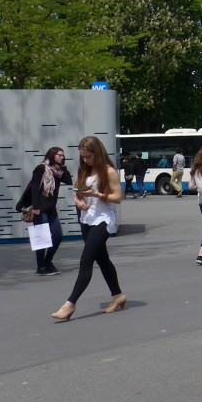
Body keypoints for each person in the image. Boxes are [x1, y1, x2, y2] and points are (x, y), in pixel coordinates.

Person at [51, 135, 126, 320]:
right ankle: (118, 295)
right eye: (83, 157)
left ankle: (70, 304)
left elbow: (118, 197)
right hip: (86, 219)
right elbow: (77, 191)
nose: (85, 160)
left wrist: (97, 194)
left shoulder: (108, 171)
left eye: (88, 156)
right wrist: (78, 201)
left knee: (86, 260)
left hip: (103, 219)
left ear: (97, 153)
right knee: (103, 260)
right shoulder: (84, 170)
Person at [16, 146, 73, 276]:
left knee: (57, 236)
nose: (62, 157)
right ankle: (41, 267)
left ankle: (48, 261)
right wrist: (36, 207)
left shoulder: (58, 171)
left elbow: (69, 181)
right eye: (59, 155)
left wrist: (64, 167)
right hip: (40, 210)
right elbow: (34, 188)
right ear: (52, 155)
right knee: (42, 239)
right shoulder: (41, 168)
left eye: (63, 155)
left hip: (51, 210)